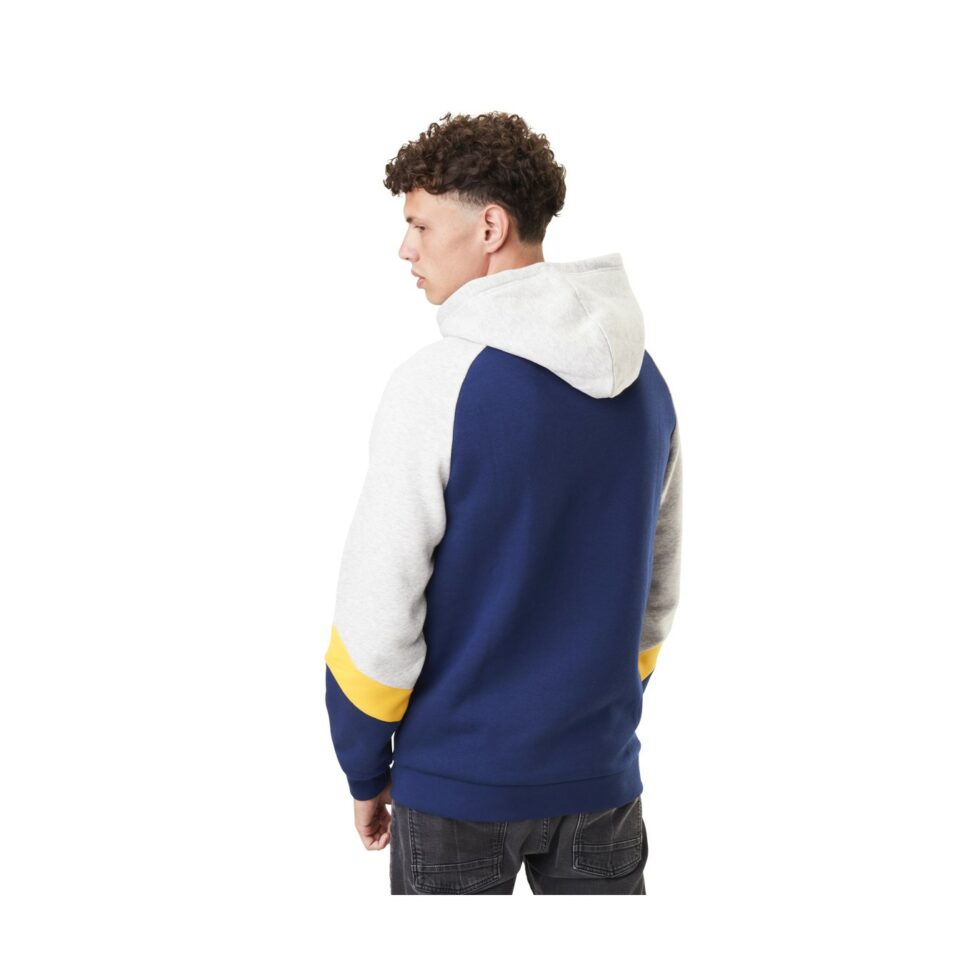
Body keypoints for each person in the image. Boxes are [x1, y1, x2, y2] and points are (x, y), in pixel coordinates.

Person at [323, 111, 682, 894]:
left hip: (457, 787)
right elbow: (656, 596)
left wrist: (364, 765)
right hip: (601, 782)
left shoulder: (438, 386)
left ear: (489, 227)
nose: (406, 248)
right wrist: (595, 719)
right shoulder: (646, 385)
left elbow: (378, 606)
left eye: (420, 224)